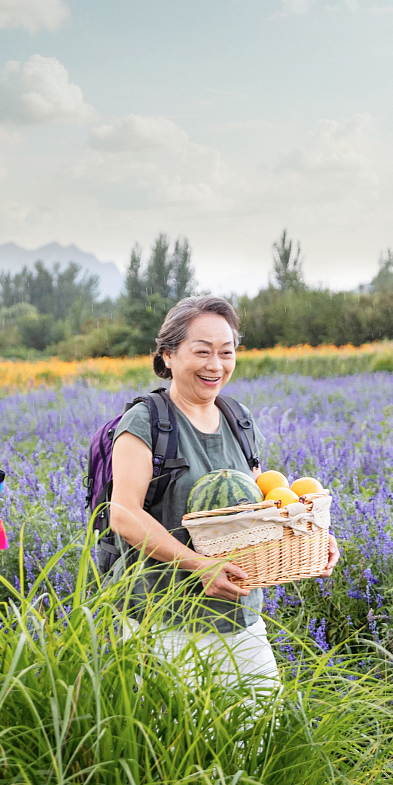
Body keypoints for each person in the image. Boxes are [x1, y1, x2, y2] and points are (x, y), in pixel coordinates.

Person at [103, 294, 334, 688]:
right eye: (202, 351)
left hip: (240, 616)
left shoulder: (238, 419)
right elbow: (123, 515)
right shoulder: (145, 422)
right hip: (164, 619)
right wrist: (199, 565)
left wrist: (310, 534)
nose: (216, 365)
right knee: (176, 727)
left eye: (226, 352)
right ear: (168, 355)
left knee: (262, 722)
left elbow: (261, 508)